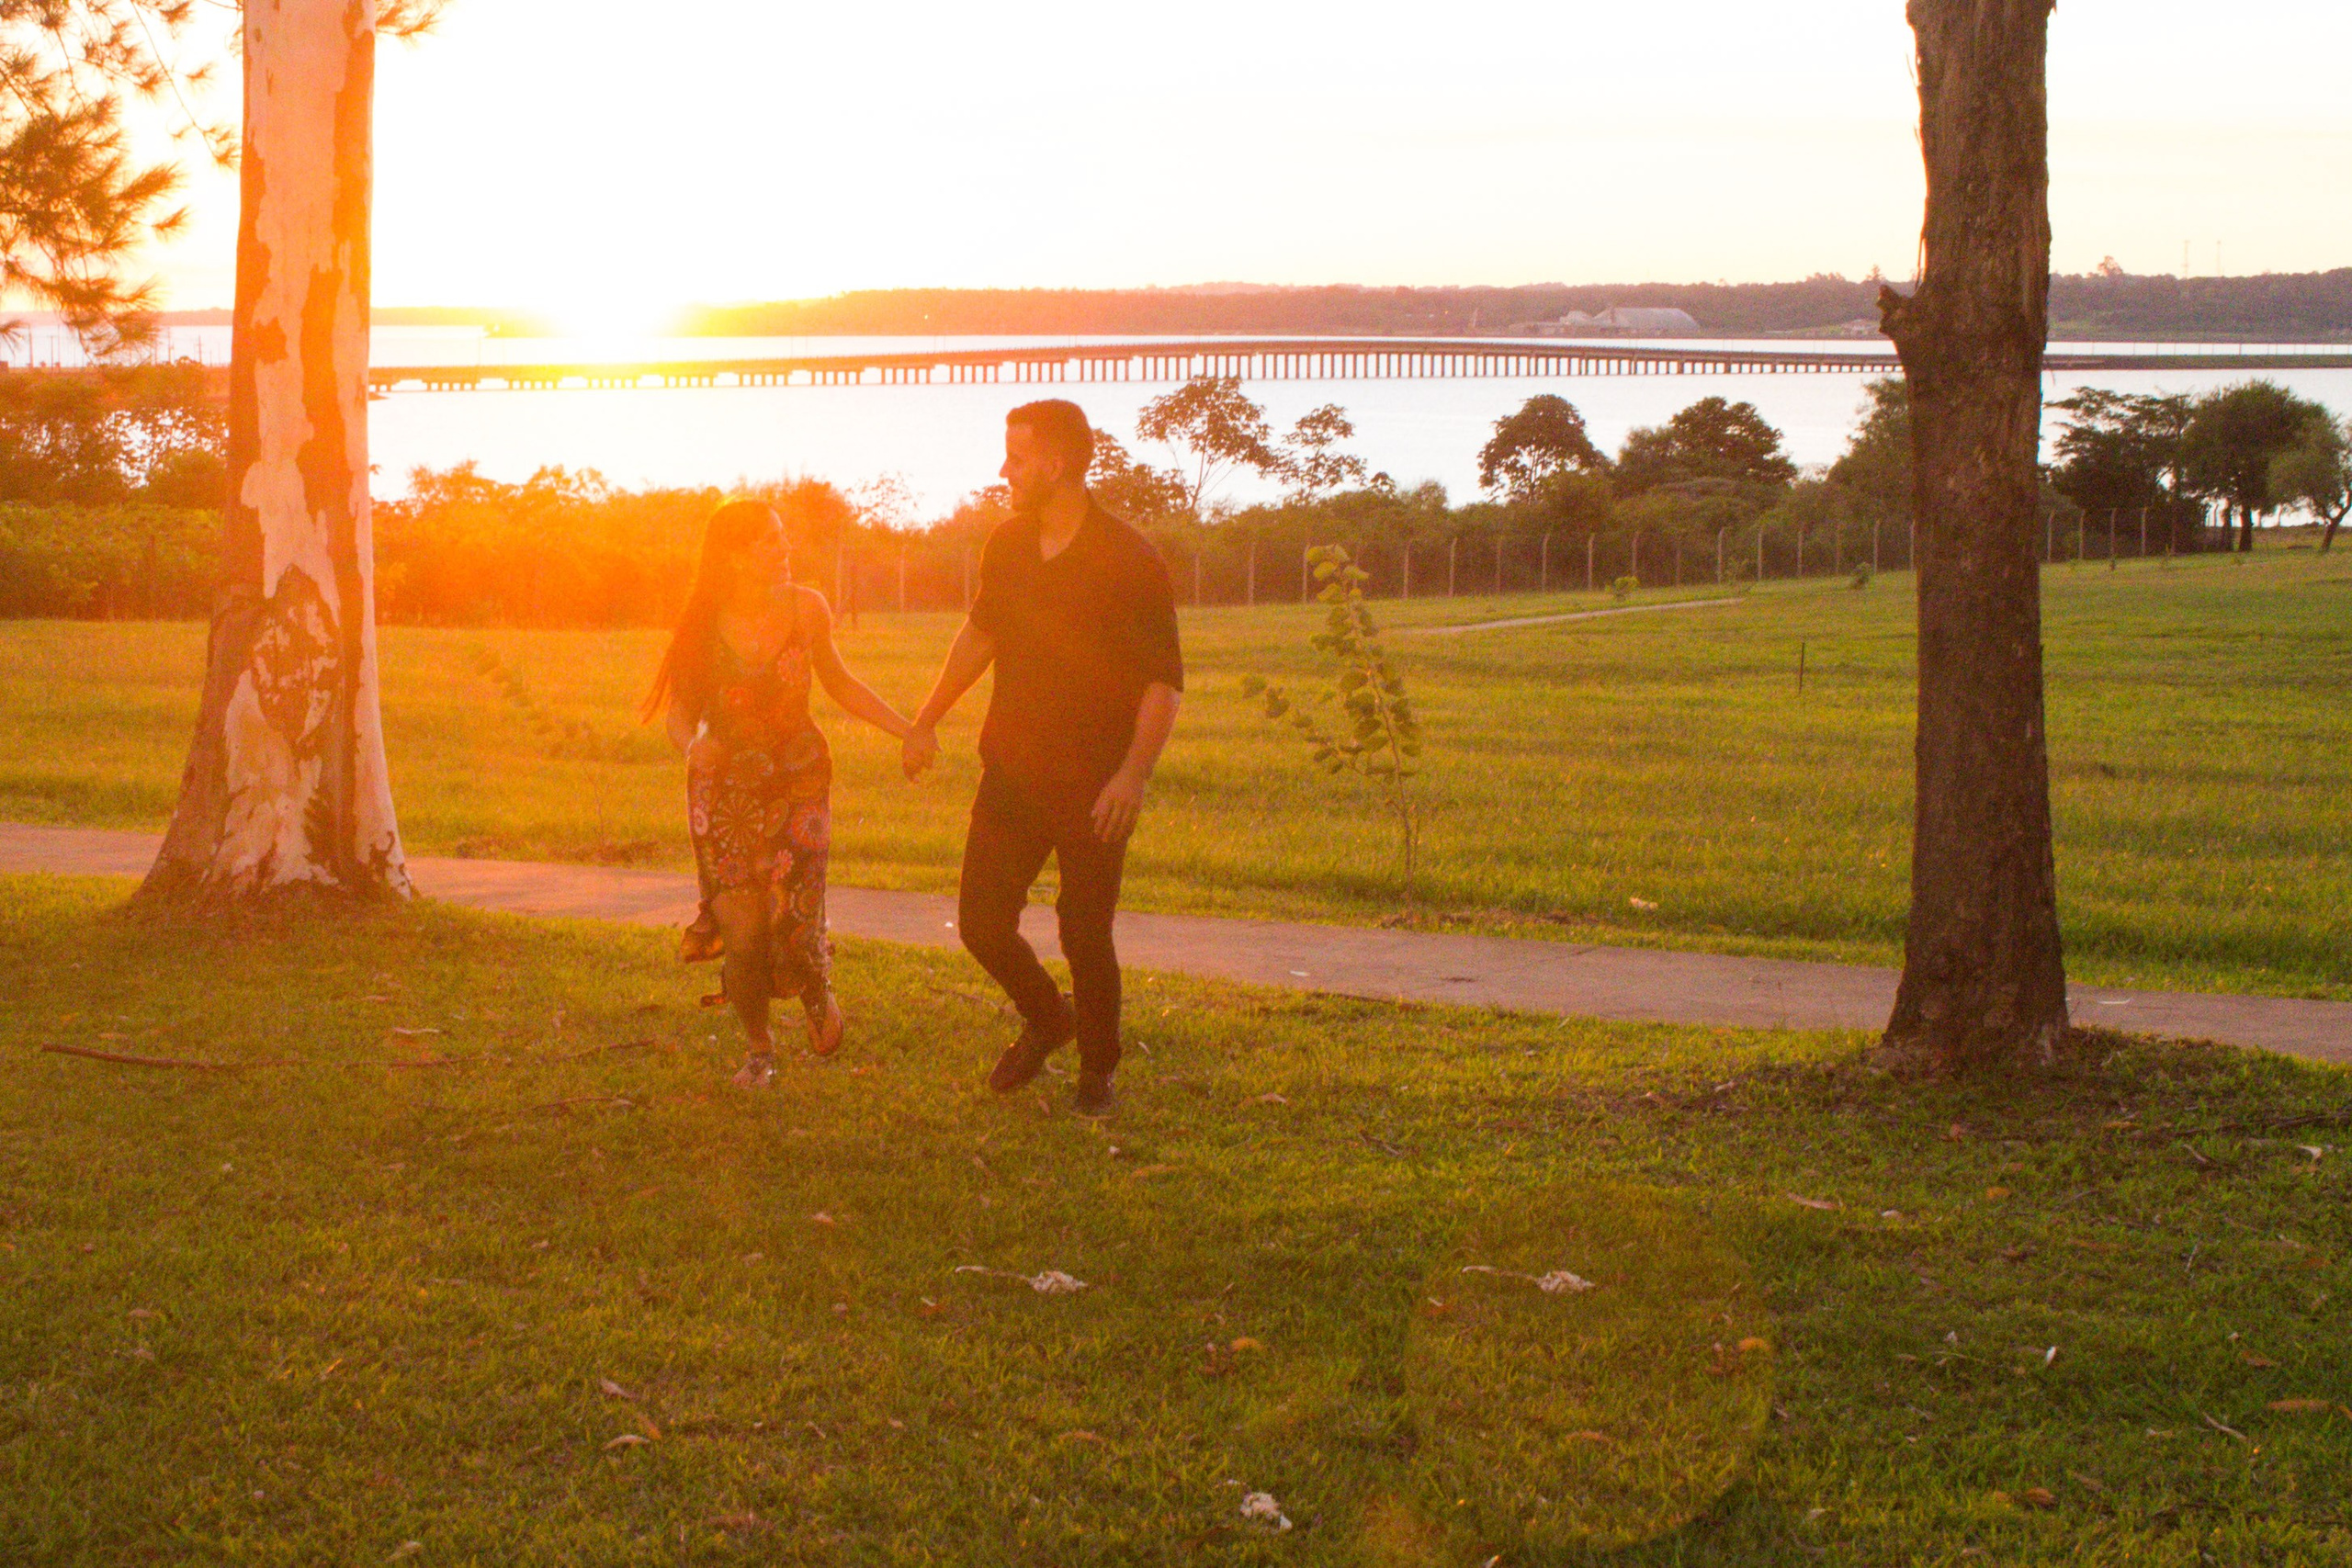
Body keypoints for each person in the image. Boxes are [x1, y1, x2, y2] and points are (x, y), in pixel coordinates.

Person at [902, 400, 1182, 1118]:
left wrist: (1133, 775)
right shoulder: (1007, 545)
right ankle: (1049, 1018)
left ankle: (1098, 1071)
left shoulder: (1130, 557)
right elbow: (979, 636)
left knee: (1084, 930)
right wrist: (926, 718)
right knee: (980, 922)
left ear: (1056, 464)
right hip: (1013, 770)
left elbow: (1163, 682)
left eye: (1017, 457)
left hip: (1096, 782)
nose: (1004, 470)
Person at [645, 499, 913, 1088]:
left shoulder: (807, 608)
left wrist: (909, 728)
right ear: (735, 556)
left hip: (798, 780)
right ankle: (760, 1050)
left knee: (792, 913)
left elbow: (840, 682)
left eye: (783, 537)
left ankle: (814, 980)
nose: (784, 548)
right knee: (740, 928)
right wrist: (692, 746)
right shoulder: (700, 622)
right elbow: (679, 716)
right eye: (769, 540)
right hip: (725, 792)